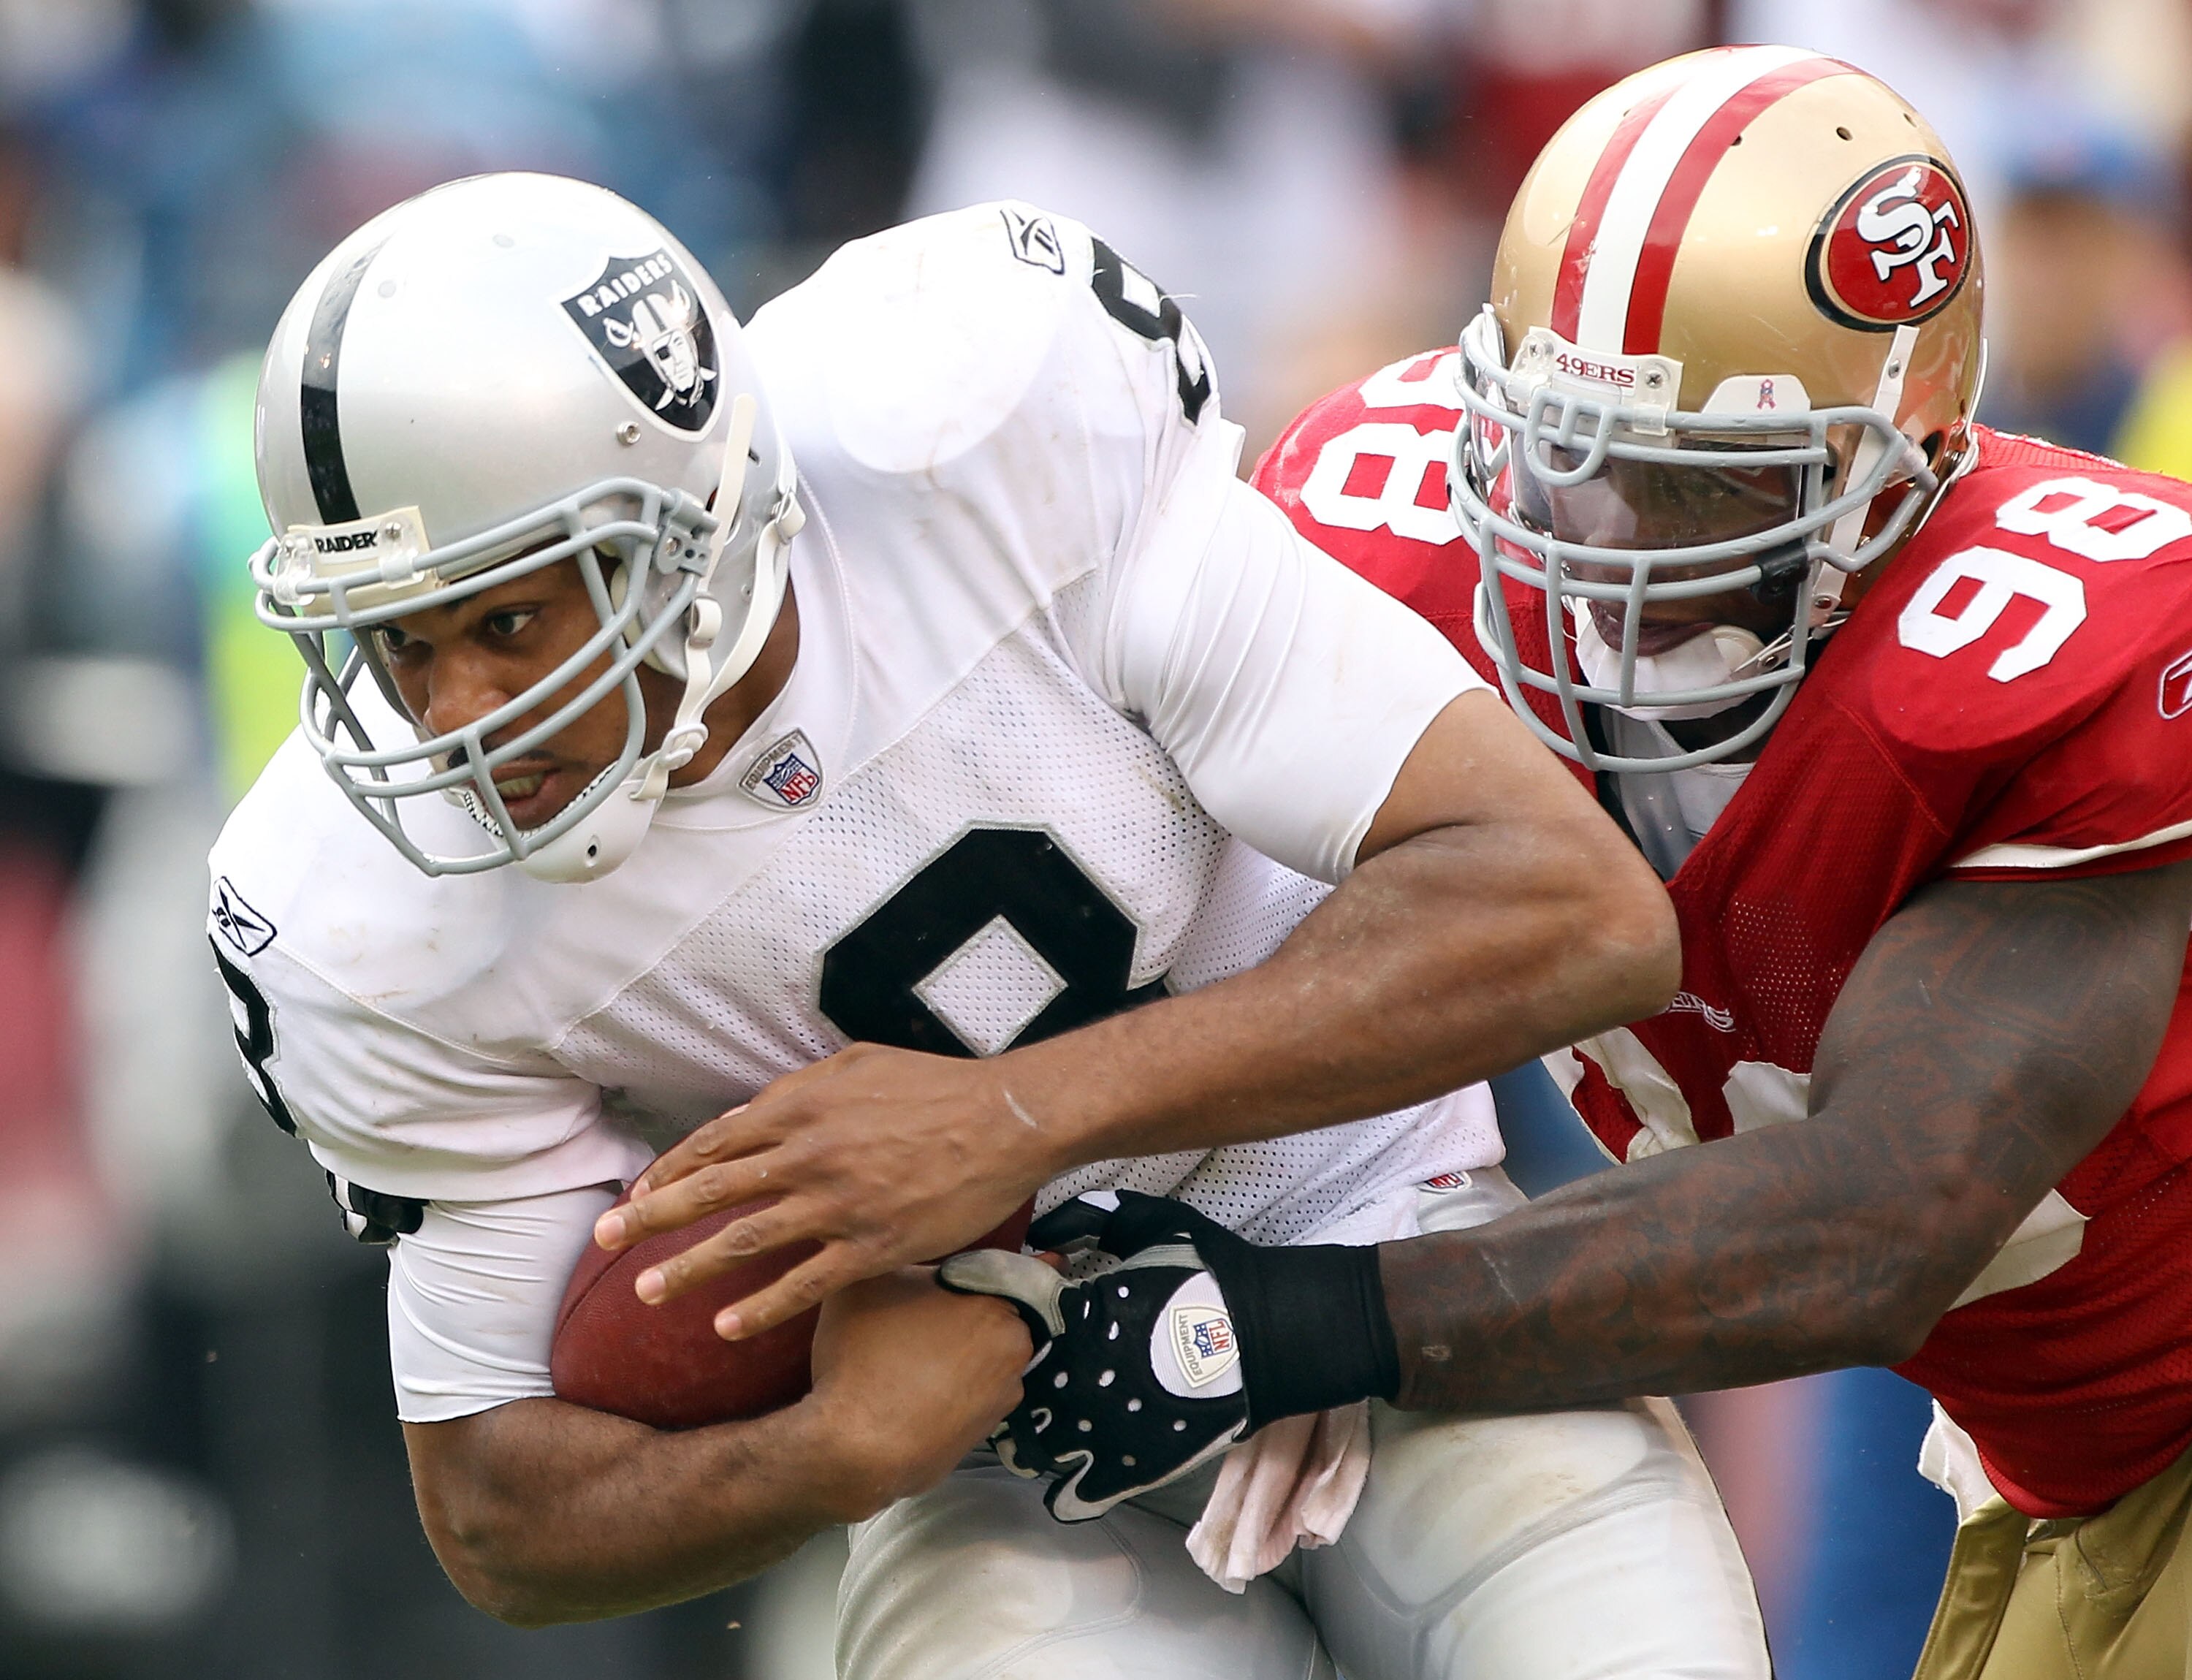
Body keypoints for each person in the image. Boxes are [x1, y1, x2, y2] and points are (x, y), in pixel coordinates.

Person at [208, 172, 1770, 1675]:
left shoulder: (970, 436)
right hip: (987, 1443)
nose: (456, 718)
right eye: (397, 644)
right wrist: (825, 1451)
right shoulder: (360, 907)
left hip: (1378, 1251)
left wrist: (1014, 1116)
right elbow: (499, 1511)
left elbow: (1571, 908)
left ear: (686, 532)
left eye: (504, 622)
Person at [940, 44, 2192, 1680]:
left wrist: (1312, 1322)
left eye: (1696, 474)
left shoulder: (2065, 651)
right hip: (2054, 1458)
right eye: (1565, 444)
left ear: (1900, 456)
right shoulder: (1387, 531)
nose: (1598, 536)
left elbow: (1866, 1224)